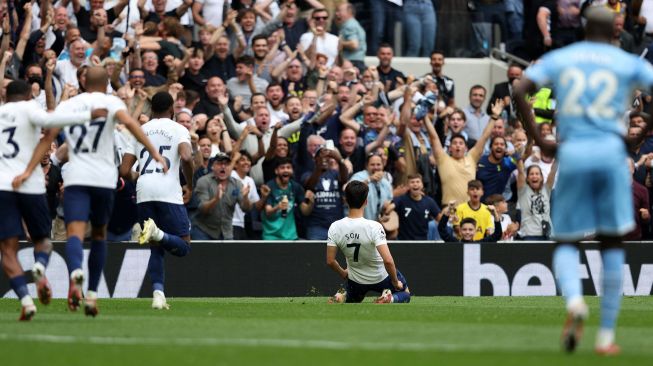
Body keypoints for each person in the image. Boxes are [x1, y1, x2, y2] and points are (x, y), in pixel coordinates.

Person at [513, 7, 653, 355]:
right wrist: (640, 134)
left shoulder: (563, 56)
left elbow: (519, 89)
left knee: (566, 240)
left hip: (573, 152)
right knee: (611, 243)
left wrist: (541, 139)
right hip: (610, 154)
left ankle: (575, 301)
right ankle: (606, 336)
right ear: (614, 33)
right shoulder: (627, 61)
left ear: (584, 28)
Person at [41, 67, 167, 316]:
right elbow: (131, 123)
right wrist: (154, 152)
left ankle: (76, 270)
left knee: (75, 233)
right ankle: (91, 296)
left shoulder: (71, 104)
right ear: (107, 82)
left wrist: (31, 169)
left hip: (76, 177)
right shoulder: (111, 102)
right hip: (103, 179)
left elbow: (48, 135)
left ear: (84, 80)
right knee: (99, 235)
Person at [2, 80, 102, 320]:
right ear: (27, 96)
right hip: (30, 184)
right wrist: (89, 114)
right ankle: (39, 266)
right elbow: (51, 121)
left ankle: (26, 302)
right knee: (43, 242)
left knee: (7, 251)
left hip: (3, 186)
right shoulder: (28, 108)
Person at [119, 91, 194, 310]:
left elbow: (124, 170)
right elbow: (187, 157)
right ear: (172, 109)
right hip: (168, 192)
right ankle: (159, 233)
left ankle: (158, 294)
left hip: (144, 192)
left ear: (151, 110)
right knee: (184, 246)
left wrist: (139, 175)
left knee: (155, 248)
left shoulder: (139, 131)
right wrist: (189, 183)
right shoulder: (179, 129)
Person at [326, 180, 411, 304]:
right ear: (366, 201)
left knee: (353, 297)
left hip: (356, 281)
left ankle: (341, 296)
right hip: (381, 278)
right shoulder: (374, 226)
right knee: (405, 293)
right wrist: (394, 281)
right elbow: (388, 260)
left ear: (345, 200)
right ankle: (389, 297)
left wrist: (343, 273)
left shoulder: (335, 226)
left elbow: (330, 261)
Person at [437, 203, 503, 243]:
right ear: (460, 230)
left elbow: (497, 235)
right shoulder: (455, 243)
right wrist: (449, 209)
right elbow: (441, 229)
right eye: (464, 229)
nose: (467, 232)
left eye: (470, 230)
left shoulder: (481, 244)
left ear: (475, 230)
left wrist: (495, 214)